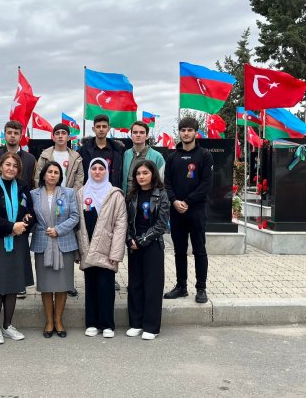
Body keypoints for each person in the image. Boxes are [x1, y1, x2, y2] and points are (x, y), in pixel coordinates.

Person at [0, 152, 35, 344]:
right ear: (1, 166)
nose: (11, 169)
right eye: (8, 165)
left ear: (18, 169)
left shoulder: (23, 187)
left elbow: (30, 211)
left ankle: (8, 325)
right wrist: (11, 226)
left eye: (15, 166)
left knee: (12, 286)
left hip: (18, 242)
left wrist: (27, 220)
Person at [163, 117, 213, 304]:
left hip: (196, 210)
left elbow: (206, 184)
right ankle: (181, 286)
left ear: (195, 132)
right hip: (177, 211)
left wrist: (188, 202)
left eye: (189, 130)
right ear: (179, 132)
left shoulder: (205, 155)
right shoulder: (172, 157)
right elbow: (167, 183)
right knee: (179, 251)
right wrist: (174, 201)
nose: (186, 133)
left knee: (199, 250)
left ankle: (201, 288)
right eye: (183, 130)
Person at [76, 159, 127, 338]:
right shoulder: (81, 193)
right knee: (90, 286)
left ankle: (107, 324)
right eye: (94, 168)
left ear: (107, 171)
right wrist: (78, 251)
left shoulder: (115, 195)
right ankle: (92, 322)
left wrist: (116, 252)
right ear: (89, 171)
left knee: (106, 287)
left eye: (101, 169)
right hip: (87, 246)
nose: (97, 172)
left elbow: (121, 225)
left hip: (107, 248)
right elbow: (78, 223)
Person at [30, 161, 80, 338]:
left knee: (62, 286)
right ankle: (49, 321)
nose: (52, 175)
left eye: (56, 172)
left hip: (64, 243)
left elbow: (75, 216)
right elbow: (29, 215)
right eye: (49, 172)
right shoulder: (33, 194)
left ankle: (58, 320)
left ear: (60, 176)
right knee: (46, 286)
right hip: (42, 243)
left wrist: (58, 229)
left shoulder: (69, 193)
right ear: (43, 175)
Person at [34, 123, 84, 298]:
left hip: (68, 199)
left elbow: (79, 179)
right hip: (47, 198)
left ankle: (67, 283)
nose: (61, 136)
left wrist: (68, 195)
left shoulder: (76, 156)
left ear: (69, 137)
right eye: (58, 133)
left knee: (68, 242)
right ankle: (49, 283)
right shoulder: (45, 155)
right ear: (53, 137)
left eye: (64, 133)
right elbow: (38, 175)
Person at [79, 114, 125, 291]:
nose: (100, 129)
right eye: (97, 126)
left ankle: (109, 276)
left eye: (104, 126)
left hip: (110, 197)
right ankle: (90, 274)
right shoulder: (85, 150)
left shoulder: (117, 150)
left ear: (108, 128)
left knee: (109, 236)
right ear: (93, 129)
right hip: (90, 197)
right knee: (90, 236)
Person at [125, 160, 169, 340]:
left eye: (145, 173)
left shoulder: (162, 195)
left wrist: (142, 240)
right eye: (138, 174)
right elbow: (125, 221)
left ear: (153, 174)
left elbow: (161, 225)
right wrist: (130, 239)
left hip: (152, 244)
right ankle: (136, 323)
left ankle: (151, 326)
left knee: (152, 286)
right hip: (134, 245)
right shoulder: (131, 195)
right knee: (135, 284)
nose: (141, 177)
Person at [0, 120, 36, 188]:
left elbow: (35, 186)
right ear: (4, 135)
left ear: (21, 137)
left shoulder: (31, 160)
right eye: (9, 133)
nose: (12, 136)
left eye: (16, 133)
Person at [122, 121, 165, 195]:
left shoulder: (157, 157)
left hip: (148, 201)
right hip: (126, 201)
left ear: (147, 136)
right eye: (135, 132)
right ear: (131, 135)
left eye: (142, 132)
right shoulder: (125, 155)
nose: (138, 135)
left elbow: (162, 182)